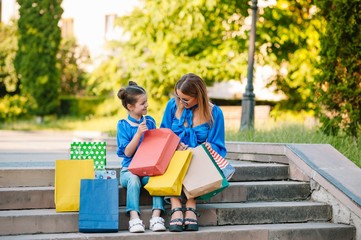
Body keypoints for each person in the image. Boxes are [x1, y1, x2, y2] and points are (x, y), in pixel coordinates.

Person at [160, 73, 234, 232]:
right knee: (172, 158)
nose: (181, 102)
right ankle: (176, 205)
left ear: (198, 96)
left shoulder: (214, 113)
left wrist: (202, 148)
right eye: (178, 97)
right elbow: (163, 133)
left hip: (199, 161)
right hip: (174, 156)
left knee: (194, 159)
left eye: (185, 99)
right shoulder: (172, 106)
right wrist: (174, 144)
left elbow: (218, 146)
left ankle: (191, 203)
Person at [116, 81, 166, 233]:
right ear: (130, 107)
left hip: (147, 169)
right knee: (133, 179)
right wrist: (138, 134)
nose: (146, 105)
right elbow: (127, 153)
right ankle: (134, 217)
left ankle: (156, 216)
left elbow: (155, 145)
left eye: (146, 102)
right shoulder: (123, 125)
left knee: (157, 178)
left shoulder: (150, 121)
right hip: (128, 170)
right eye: (142, 103)